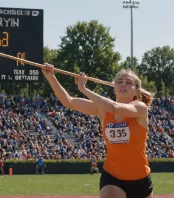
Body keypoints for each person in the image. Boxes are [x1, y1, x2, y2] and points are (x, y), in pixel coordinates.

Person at [43, 64, 154, 198]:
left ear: (136, 91)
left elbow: (115, 107)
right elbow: (69, 101)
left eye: (128, 83)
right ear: (114, 87)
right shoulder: (102, 110)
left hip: (140, 178)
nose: (123, 84)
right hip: (112, 176)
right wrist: (51, 77)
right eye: (119, 82)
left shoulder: (140, 108)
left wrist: (84, 89)